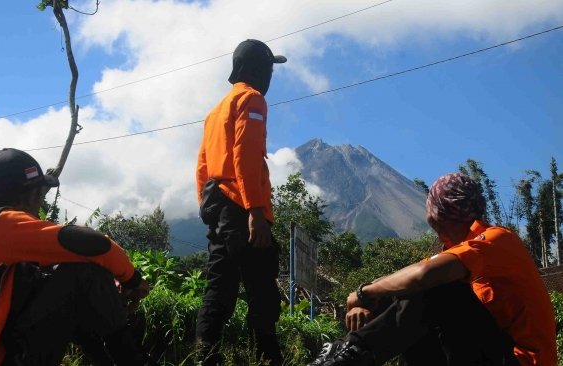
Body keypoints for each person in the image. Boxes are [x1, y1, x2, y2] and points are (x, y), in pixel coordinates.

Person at [0, 148, 154, 366]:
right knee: (85, 275)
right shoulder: (1, 227)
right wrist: (132, 281)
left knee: (66, 273)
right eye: (41, 192)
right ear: (27, 195)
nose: (41, 200)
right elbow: (98, 245)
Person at [308, 173, 556, 366]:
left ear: (438, 213)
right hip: (490, 353)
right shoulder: (458, 251)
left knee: (435, 288)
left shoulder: (496, 239)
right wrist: (366, 295)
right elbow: (406, 276)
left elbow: (423, 276)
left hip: (518, 360)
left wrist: (363, 294)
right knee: (411, 292)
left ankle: (350, 354)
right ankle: (347, 352)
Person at [195, 39, 287, 366]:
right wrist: (254, 211)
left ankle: (205, 354)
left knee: (220, 286)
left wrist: (209, 212)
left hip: (218, 205)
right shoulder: (252, 99)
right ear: (257, 69)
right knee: (262, 288)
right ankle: (268, 358)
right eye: (269, 69)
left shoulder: (215, 111)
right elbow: (245, 157)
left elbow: (203, 168)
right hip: (242, 207)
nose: (271, 76)